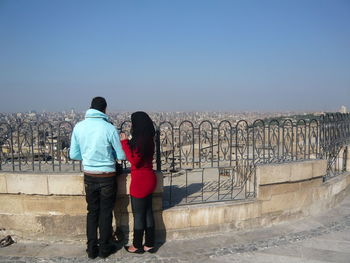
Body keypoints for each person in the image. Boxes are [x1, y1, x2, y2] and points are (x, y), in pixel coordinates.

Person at [69, 97, 126, 259]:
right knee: (106, 212)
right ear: (105, 110)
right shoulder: (109, 128)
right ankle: (105, 248)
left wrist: (87, 157)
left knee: (92, 212)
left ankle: (91, 249)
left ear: (90, 108)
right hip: (107, 176)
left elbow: (73, 154)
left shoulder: (79, 127)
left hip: (89, 176)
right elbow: (121, 154)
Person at [120, 111, 157, 254]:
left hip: (140, 181)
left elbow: (135, 160)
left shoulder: (140, 140)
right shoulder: (149, 139)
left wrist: (124, 143)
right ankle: (150, 244)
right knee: (148, 213)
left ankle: (136, 245)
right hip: (150, 178)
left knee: (139, 215)